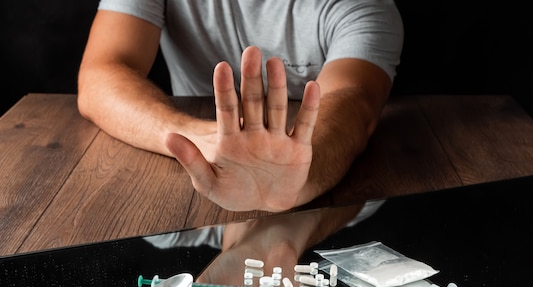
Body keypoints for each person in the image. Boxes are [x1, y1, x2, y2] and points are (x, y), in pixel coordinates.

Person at [77, 1, 404, 212]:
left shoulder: (364, 7)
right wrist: (203, 140)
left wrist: (297, 181)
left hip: (325, 209)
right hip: (190, 192)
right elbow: (98, 78)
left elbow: (353, 108)